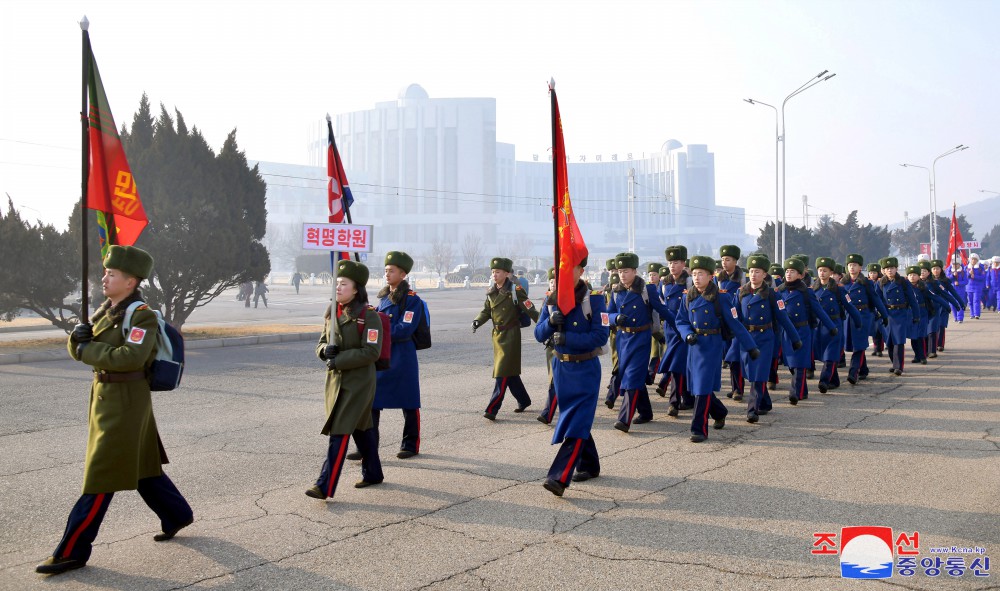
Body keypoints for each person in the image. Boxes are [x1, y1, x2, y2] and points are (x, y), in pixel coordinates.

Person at [37, 246, 194, 575]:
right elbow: (82, 345)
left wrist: (86, 348)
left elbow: (130, 358)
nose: (105, 278)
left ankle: (72, 550)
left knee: (101, 475)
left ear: (131, 281)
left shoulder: (141, 316)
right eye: (105, 273)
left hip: (126, 402)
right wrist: (75, 340)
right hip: (105, 397)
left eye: (112, 274)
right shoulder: (105, 311)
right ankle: (177, 514)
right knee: (142, 468)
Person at [307, 260, 384, 500]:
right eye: (336, 283)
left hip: (359, 383)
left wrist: (338, 359)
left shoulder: (369, 317)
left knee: (339, 429)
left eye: (343, 284)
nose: (338, 288)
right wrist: (323, 352)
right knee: (362, 429)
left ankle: (324, 485)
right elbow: (321, 342)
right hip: (336, 381)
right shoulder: (333, 311)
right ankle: (373, 473)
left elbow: (372, 352)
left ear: (356, 288)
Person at [535, 258, 608, 496]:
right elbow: (538, 333)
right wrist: (549, 323)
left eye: (569, 268)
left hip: (585, 368)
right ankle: (589, 464)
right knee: (577, 419)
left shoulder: (595, 299)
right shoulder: (552, 298)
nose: (563, 273)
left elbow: (600, 336)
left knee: (575, 424)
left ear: (581, 271)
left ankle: (558, 476)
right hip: (561, 369)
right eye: (559, 269)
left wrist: (569, 339)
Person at [676, 255, 759, 442]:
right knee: (698, 387)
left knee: (703, 387)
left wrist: (750, 347)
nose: (697, 278)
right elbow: (680, 320)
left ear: (711, 276)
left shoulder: (721, 298)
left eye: (701, 274)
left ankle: (699, 429)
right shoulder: (688, 296)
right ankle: (720, 411)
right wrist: (686, 333)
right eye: (694, 274)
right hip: (693, 346)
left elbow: (736, 324)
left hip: (711, 346)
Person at [360, 252, 424, 459]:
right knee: (372, 401)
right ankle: (368, 446)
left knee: (409, 401)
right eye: (386, 270)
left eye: (392, 271)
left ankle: (410, 444)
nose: (387, 274)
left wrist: (380, 328)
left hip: (403, 355)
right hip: (384, 355)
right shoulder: (383, 298)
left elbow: (404, 328)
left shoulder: (412, 301)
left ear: (403, 274)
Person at [605, 252, 671, 432]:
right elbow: (606, 315)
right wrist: (615, 317)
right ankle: (646, 412)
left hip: (641, 339)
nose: (622, 275)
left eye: (626, 271)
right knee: (635, 377)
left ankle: (624, 419)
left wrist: (679, 327)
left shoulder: (646, 290)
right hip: (622, 339)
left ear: (634, 271)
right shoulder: (616, 291)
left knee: (632, 378)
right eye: (620, 271)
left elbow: (662, 310)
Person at [473, 257, 540, 420]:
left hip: (511, 335)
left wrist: (546, 325)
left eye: (498, 272)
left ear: (507, 273)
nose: (494, 275)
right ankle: (523, 400)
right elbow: (486, 311)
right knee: (509, 373)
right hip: (497, 336)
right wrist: (477, 321)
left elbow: (531, 309)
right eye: (493, 272)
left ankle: (492, 408)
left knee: (501, 372)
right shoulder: (491, 291)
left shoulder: (515, 290)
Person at [734, 254, 798, 422]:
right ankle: (765, 402)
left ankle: (752, 409)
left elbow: (783, 317)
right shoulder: (741, 293)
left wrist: (795, 338)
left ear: (764, 275)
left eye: (758, 272)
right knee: (750, 373)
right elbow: (734, 317)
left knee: (759, 374)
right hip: (746, 339)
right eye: (751, 271)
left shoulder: (772, 294)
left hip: (765, 338)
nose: (754, 275)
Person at [774, 257, 837, 404]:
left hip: (802, 330)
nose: (789, 274)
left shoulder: (806, 292)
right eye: (787, 271)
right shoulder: (779, 291)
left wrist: (831, 327)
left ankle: (795, 393)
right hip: (786, 333)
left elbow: (819, 310)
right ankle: (803, 390)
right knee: (791, 364)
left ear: (801, 275)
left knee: (799, 364)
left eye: (793, 271)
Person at [812, 257, 862, 393]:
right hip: (819, 327)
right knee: (825, 355)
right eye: (820, 270)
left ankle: (824, 380)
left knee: (830, 354)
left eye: (825, 270)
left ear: (831, 272)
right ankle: (834, 380)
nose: (822, 273)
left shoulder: (839, 290)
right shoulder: (812, 289)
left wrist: (858, 321)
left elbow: (850, 306)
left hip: (835, 325)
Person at [656, 246, 695, 416]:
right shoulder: (664, 283)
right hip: (670, 330)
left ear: (683, 263)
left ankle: (673, 402)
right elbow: (660, 304)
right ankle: (688, 398)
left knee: (677, 366)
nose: (672, 265)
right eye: (670, 262)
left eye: (676, 262)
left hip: (685, 329)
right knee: (680, 365)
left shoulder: (690, 281)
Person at [841, 254, 890, 384]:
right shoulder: (842, 284)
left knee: (859, 345)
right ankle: (863, 369)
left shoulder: (866, 283)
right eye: (850, 265)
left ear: (860, 267)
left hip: (863, 316)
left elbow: (876, 300)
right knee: (857, 344)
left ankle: (853, 372)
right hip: (848, 317)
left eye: (854, 265)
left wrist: (884, 315)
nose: (852, 268)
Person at [878, 257, 920, 376]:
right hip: (887, 314)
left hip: (901, 314)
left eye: (892, 268)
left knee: (899, 341)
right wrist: (878, 312)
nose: (890, 271)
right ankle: (894, 363)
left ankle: (899, 366)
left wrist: (916, 315)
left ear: (896, 269)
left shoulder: (903, 282)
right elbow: (877, 299)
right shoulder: (881, 283)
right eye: (887, 269)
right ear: (884, 270)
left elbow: (912, 299)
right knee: (890, 341)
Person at [716, 245, 746, 401]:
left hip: (737, 322)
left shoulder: (742, 277)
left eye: (728, 260)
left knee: (735, 357)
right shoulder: (718, 278)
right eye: (722, 259)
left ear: (735, 261)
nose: (724, 262)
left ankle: (738, 390)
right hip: (723, 323)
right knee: (728, 356)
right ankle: (735, 387)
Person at [537, 269, 559, 425]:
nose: (553, 284)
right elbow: (539, 330)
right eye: (551, 281)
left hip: (567, 347)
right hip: (551, 346)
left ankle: (547, 413)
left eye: (556, 281)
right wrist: (549, 322)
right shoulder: (548, 301)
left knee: (555, 380)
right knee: (554, 379)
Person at [930, 259, 963, 351]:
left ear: (941, 269)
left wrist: (959, 303)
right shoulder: (928, 281)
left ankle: (940, 344)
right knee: (932, 327)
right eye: (933, 269)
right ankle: (932, 345)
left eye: (937, 268)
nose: (935, 271)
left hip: (943, 306)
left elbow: (952, 293)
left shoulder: (945, 281)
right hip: (932, 306)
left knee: (941, 325)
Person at [645, 261, 666, 386]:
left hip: (664, 323)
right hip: (654, 325)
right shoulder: (647, 289)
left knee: (665, 351)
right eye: (650, 275)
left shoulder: (664, 287)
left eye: (654, 275)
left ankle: (665, 376)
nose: (651, 277)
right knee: (654, 351)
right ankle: (651, 375)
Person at [966, 253, 987, 319]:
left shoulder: (980, 267)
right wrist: (969, 274)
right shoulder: (967, 267)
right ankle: (972, 314)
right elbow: (964, 277)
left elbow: (983, 277)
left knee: (976, 300)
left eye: (975, 259)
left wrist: (974, 276)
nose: (973, 261)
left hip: (977, 287)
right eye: (972, 259)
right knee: (970, 301)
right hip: (969, 287)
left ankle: (977, 314)